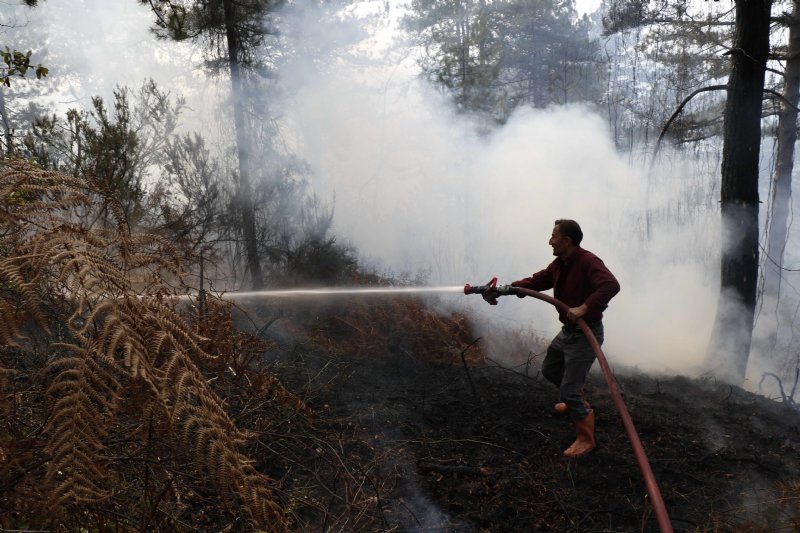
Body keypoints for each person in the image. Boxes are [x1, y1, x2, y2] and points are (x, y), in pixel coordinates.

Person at [510, 219, 620, 458]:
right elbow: (538, 281)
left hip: (585, 333)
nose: (550, 241)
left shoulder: (588, 261)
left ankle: (586, 438)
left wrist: (584, 307)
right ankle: (574, 397)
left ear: (567, 240)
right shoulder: (560, 264)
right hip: (568, 332)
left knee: (569, 389)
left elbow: (611, 285)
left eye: (553, 236)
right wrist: (510, 288)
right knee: (550, 369)